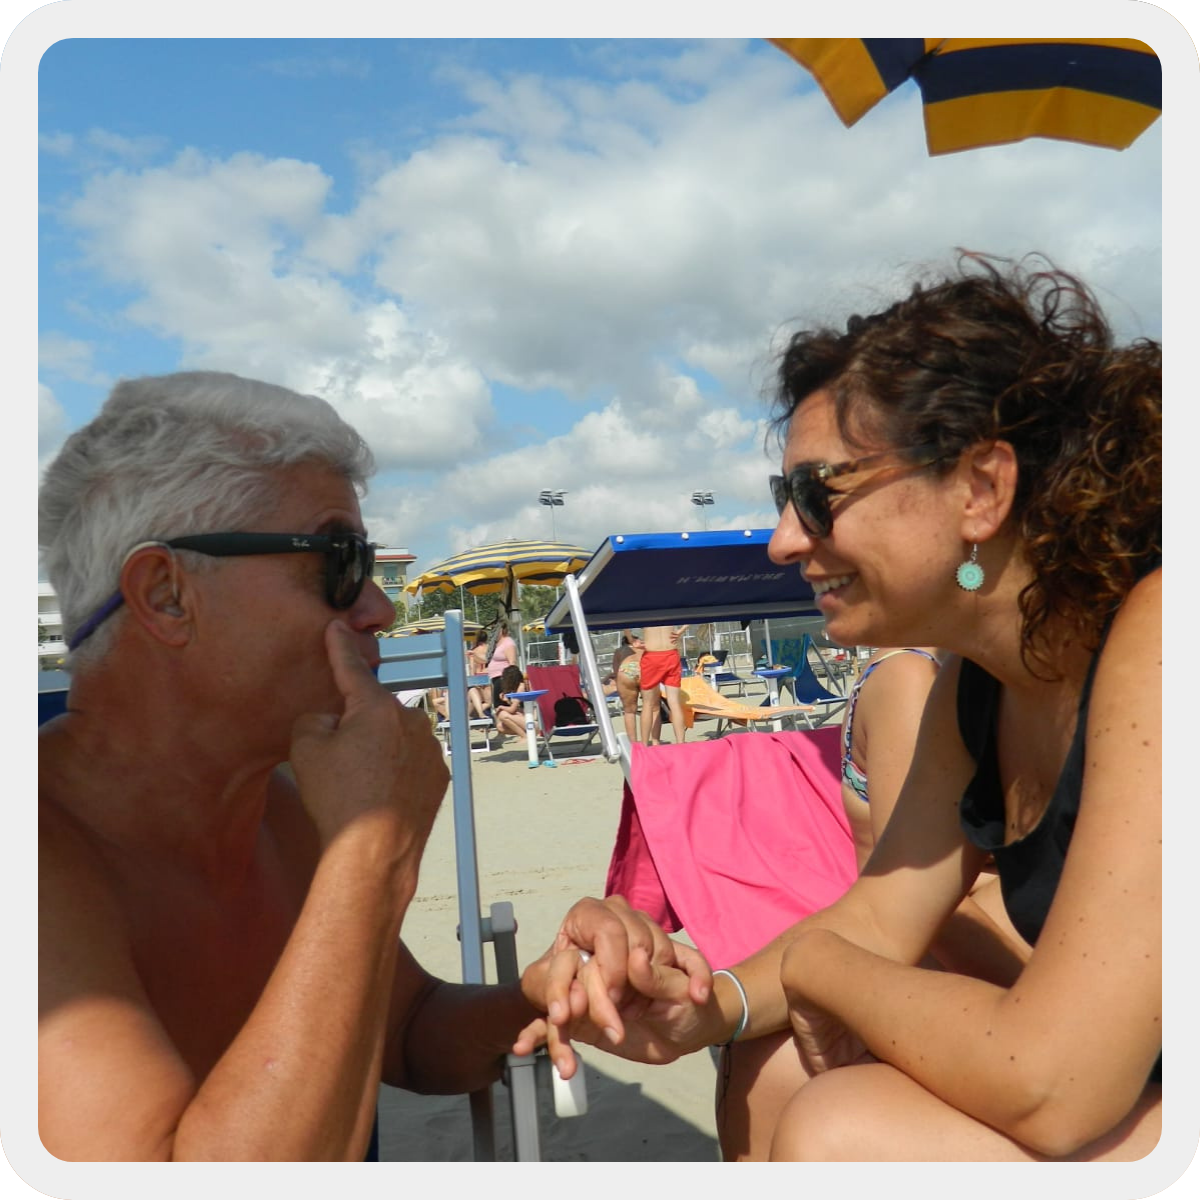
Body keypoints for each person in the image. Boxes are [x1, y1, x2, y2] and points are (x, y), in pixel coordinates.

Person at [522, 254, 1161, 1162]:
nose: (786, 540)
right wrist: (701, 1007)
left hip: (1098, 1076)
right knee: (780, 1068)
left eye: (818, 496)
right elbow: (878, 916)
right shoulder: (975, 688)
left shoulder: (1162, 633)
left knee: (841, 1126)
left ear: (981, 490)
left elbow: (1051, 1081)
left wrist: (822, 972)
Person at [37, 370, 709, 1161]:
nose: (380, 608)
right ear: (166, 596)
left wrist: (539, 993)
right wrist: (371, 855)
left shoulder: (277, 809)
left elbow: (411, 1033)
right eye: (339, 560)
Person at [638, 623, 688, 745]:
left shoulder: (643, 610)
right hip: (671, 653)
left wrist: (630, 638)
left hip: (652, 655)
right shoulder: (668, 607)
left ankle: (644, 745)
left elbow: (625, 622)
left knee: (647, 704)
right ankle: (681, 742)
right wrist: (681, 630)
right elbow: (692, 613)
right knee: (674, 702)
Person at [611, 629, 646, 743]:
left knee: (629, 711)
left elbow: (616, 671)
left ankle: (633, 743)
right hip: (642, 669)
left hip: (626, 670)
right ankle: (647, 741)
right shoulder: (642, 648)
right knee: (649, 708)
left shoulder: (619, 651)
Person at [485, 619, 518, 709]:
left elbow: (512, 663)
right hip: (496, 679)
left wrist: (509, 684)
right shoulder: (496, 644)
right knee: (498, 708)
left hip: (503, 679)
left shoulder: (508, 643)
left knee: (501, 707)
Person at [492, 664, 531, 739]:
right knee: (500, 727)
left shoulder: (521, 687)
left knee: (502, 715)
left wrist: (501, 706)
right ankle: (525, 734)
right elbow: (514, 707)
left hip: (529, 720)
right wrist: (506, 701)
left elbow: (513, 709)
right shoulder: (503, 685)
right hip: (521, 717)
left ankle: (524, 736)